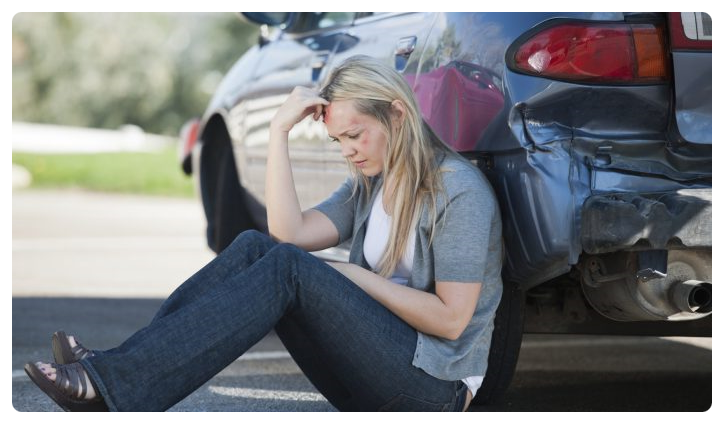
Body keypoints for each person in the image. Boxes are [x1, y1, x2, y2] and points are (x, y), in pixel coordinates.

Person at [25, 55, 503, 412]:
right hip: (374, 372)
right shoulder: (371, 183)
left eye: (355, 135)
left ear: (397, 114)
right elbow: (288, 232)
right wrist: (278, 131)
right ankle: (115, 369)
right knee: (258, 247)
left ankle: (112, 384)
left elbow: (451, 321)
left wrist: (350, 276)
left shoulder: (458, 191)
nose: (348, 151)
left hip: (432, 389)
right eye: (339, 140)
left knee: (289, 268)